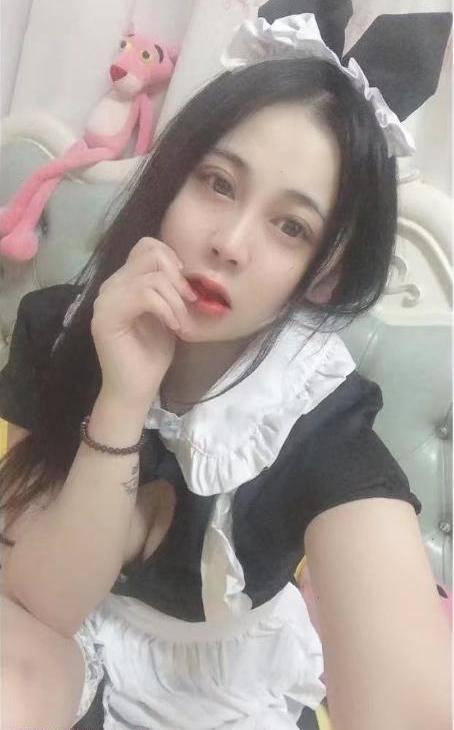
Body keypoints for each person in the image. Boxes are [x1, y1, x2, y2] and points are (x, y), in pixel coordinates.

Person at [0, 14, 451, 730]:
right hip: (68, 639)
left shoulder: (320, 424)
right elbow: (43, 605)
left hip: (219, 693)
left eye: (291, 227)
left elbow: (410, 704)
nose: (231, 244)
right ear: (171, 177)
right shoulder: (58, 326)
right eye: (217, 183)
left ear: (324, 272)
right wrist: (123, 395)